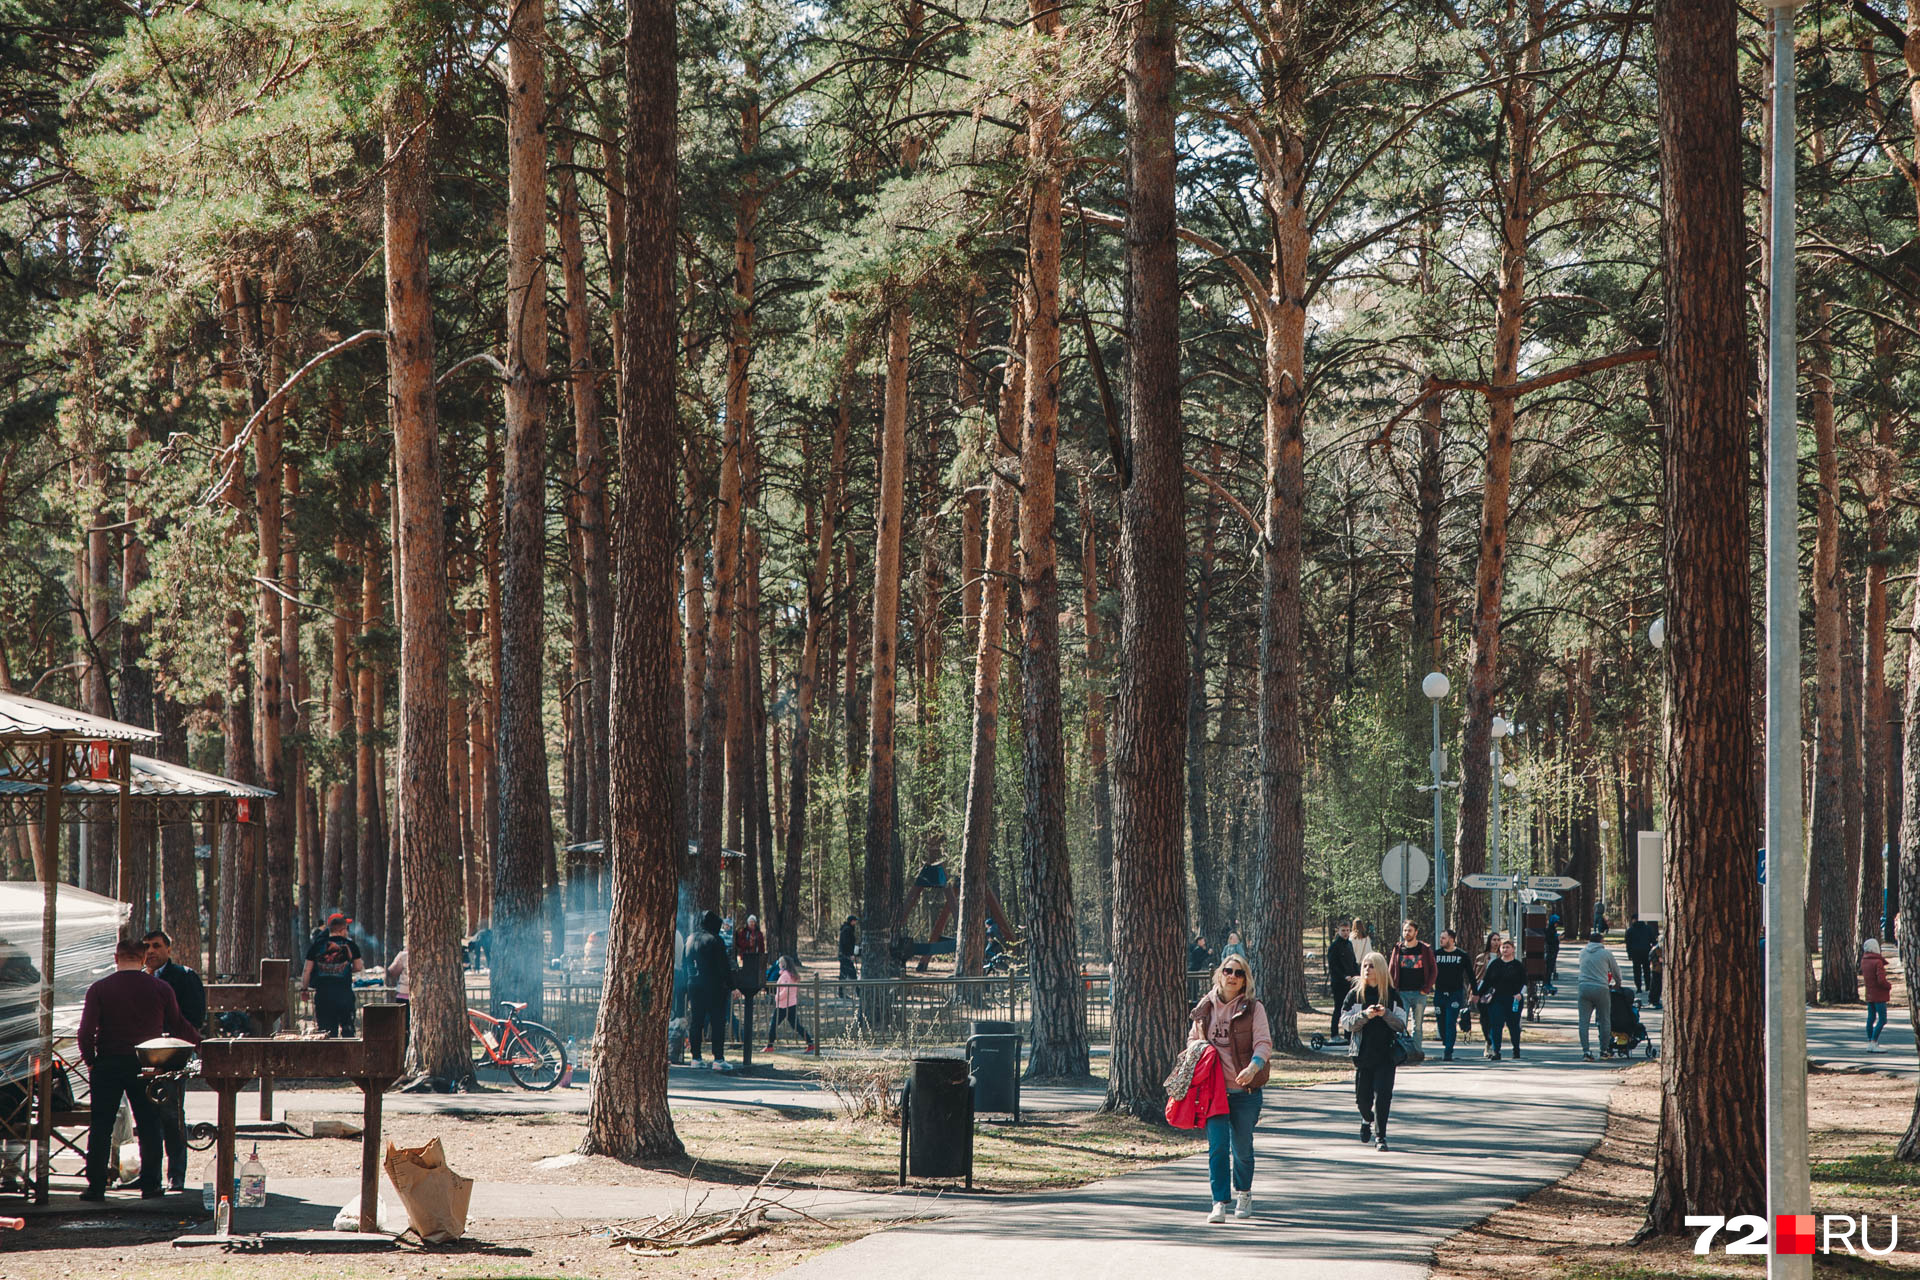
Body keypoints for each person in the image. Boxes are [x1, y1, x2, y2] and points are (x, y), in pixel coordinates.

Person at [76, 940, 200, 1200]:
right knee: (148, 1124)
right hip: (148, 1063)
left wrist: (91, 1060)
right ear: (144, 959)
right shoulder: (160, 987)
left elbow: (85, 1032)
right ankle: (151, 1184)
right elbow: (178, 1024)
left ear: (116, 957)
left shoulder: (99, 988)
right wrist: (203, 1045)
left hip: (108, 1062)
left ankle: (96, 1185)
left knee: (101, 1125)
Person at [1190, 954, 1271, 1222]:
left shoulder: (1253, 1008)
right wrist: (1196, 1051)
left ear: (1245, 978)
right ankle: (1218, 1202)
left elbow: (1263, 1043)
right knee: (1217, 1147)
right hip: (1213, 1092)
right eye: (1228, 971)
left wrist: (1254, 1067)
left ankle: (1244, 1193)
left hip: (1244, 1092)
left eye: (1239, 973)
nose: (1232, 976)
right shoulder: (1205, 1007)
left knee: (1242, 1147)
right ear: (1220, 974)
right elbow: (1192, 1040)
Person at [141, 929, 205, 1192]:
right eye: (146, 947)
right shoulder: (138, 979)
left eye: (156, 946)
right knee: (146, 1119)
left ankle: (176, 1174)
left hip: (173, 1055)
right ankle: (149, 1174)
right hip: (142, 1055)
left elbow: (194, 1016)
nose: (151, 951)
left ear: (168, 949)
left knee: (171, 1115)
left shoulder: (184, 977)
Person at [1340, 952, 1404, 1152]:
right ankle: (1366, 1118)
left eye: (1372, 966)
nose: (1367, 969)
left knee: (1383, 1096)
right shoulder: (1355, 995)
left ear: (1381, 969)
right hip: (1362, 1054)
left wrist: (1386, 1014)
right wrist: (1365, 1015)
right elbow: (1345, 1022)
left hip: (1386, 1055)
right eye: (1365, 966)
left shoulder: (1392, 995)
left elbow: (1401, 1024)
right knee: (1362, 1099)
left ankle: (1381, 1136)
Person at [300, 913, 365, 1037]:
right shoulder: (351, 945)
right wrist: (345, 969)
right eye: (346, 929)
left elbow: (307, 970)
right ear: (342, 930)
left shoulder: (317, 946)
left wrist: (304, 989)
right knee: (348, 1031)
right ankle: (348, 1055)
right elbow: (358, 967)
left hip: (323, 997)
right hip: (344, 995)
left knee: (326, 1034)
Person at [685, 910, 732, 1065]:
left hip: (694, 985)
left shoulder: (691, 939)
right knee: (717, 1022)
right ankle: (718, 1058)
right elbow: (723, 967)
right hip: (714, 987)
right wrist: (732, 985)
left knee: (696, 1021)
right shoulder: (715, 940)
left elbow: (686, 963)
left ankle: (696, 1057)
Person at [1475, 938, 1527, 1060]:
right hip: (1497, 999)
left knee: (1513, 1026)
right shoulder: (1495, 964)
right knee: (1496, 1025)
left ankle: (1516, 1050)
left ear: (1513, 949)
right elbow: (1485, 981)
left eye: (1508, 947)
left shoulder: (1518, 965)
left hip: (1513, 999)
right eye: (1503, 947)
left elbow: (1524, 982)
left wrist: (1520, 994)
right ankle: (1496, 1051)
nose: (1505, 950)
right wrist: (1477, 994)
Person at [1389, 921, 1436, 1052]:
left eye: (1409, 930)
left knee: (1418, 1025)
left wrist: (1426, 988)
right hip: (1402, 993)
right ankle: (1402, 1052)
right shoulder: (1398, 949)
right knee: (1400, 1024)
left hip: (1419, 994)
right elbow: (1391, 969)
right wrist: (1393, 988)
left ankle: (1417, 1051)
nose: (1407, 933)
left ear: (1416, 932)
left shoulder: (1424, 949)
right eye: (1405, 930)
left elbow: (1433, 970)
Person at [1576, 929, 1621, 1060]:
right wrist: (1618, 983)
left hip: (1584, 987)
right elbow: (1615, 970)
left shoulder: (1582, 952)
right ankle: (1604, 1050)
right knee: (1604, 1020)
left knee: (1583, 1022)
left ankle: (1586, 1051)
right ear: (1602, 941)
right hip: (1601, 988)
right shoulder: (1606, 953)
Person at [1430, 929, 1472, 1062]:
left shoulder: (1462, 955)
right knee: (1441, 1022)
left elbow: (1470, 974)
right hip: (1440, 994)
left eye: (1444, 938)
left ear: (1452, 939)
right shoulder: (1436, 955)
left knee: (1450, 1022)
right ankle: (1446, 1041)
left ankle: (1448, 1050)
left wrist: (1475, 992)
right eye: (1441, 937)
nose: (1441, 940)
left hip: (1455, 994)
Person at [766, 956, 814, 1052]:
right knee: (796, 1026)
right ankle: (810, 1043)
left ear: (783, 965)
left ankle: (769, 1046)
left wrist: (777, 996)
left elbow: (786, 990)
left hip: (783, 1005)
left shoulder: (785, 976)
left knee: (773, 1025)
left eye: (779, 963)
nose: (778, 965)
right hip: (791, 1003)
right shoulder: (791, 975)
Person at [1326, 924, 1360, 1040]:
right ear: (1338, 931)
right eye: (1343, 930)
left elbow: (1353, 962)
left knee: (1349, 1008)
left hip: (1351, 983)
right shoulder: (1334, 947)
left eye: (1347, 930)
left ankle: (1347, 1034)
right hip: (1339, 983)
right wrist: (1344, 976)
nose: (1345, 933)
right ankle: (1334, 1034)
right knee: (1338, 1007)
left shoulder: (1349, 944)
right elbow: (1333, 966)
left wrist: (1358, 975)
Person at [1863, 939, 1891, 1052]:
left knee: (1871, 1018)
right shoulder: (1877, 962)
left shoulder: (1864, 960)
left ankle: (1870, 1041)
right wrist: (1888, 985)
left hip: (1869, 992)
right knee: (1882, 1019)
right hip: (1879, 994)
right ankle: (1874, 1041)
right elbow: (1881, 980)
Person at [1624, 917, 1654, 993]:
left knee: (1637, 971)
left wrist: (1629, 954)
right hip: (1646, 951)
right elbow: (1653, 940)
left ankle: (1639, 987)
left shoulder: (1630, 930)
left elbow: (1628, 944)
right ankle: (1648, 986)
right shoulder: (1648, 929)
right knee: (1647, 970)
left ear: (1633, 920)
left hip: (1635, 952)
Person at [838, 916, 859, 992]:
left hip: (844, 955)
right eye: (855, 921)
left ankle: (841, 992)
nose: (855, 923)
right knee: (852, 973)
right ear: (851, 921)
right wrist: (850, 954)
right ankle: (858, 991)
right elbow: (847, 944)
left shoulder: (847, 929)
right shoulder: (847, 930)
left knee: (843, 974)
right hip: (845, 956)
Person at [1646, 939, 1663, 1008]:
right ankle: (1652, 1001)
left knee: (1658, 986)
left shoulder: (1660, 948)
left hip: (1660, 969)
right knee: (1654, 985)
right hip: (1656, 969)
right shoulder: (1656, 949)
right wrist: (1658, 961)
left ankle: (1656, 1000)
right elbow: (1650, 958)